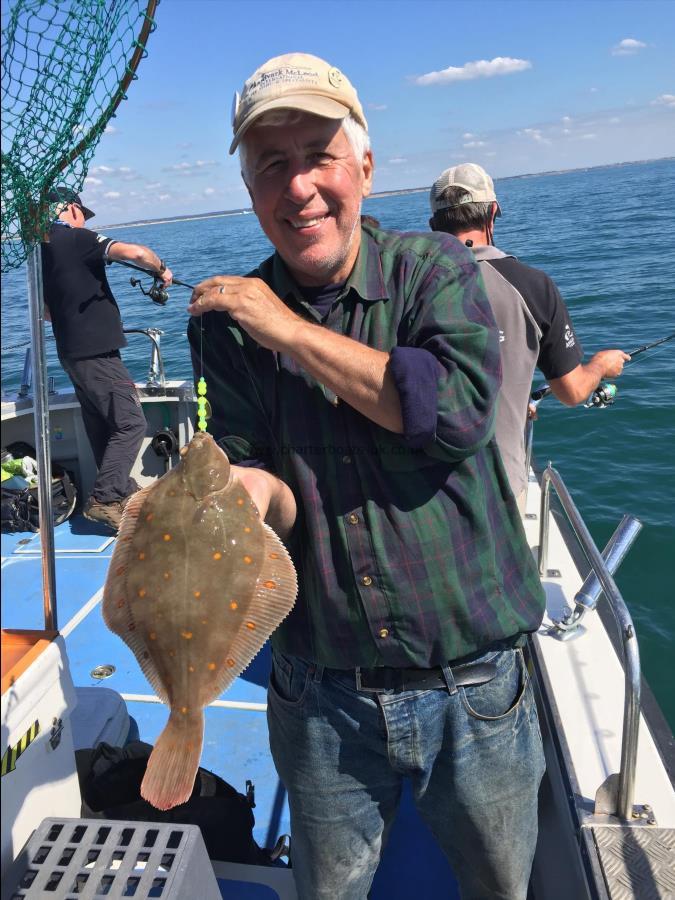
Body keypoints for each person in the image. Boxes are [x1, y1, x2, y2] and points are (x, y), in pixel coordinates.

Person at [187, 53, 546, 900]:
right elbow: (263, 478)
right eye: (271, 166)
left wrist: (282, 327)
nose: (298, 186)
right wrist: (240, 497)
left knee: (501, 886)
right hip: (321, 695)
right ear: (249, 189)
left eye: (317, 154)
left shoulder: (435, 272)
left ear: (365, 169)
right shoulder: (225, 328)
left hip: (476, 685)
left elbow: (450, 411)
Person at [429, 163, 630, 505]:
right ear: (493, 213)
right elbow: (571, 391)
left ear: (434, 225)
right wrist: (599, 365)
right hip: (498, 486)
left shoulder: (407, 285)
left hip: (420, 490)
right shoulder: (533, 285)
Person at [41, 186, 173, 531]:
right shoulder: (78, 238)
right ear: (70, 209)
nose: (84, 219)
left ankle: (124, 494)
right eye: (82, 212)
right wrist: (161, 269)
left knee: (103, 425)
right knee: (131, 423)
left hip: (71, 355)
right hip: (97, 353)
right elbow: (136, 253)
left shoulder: (42, 251)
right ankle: (105, 499)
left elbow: (47, 314)